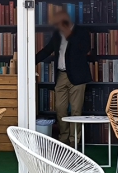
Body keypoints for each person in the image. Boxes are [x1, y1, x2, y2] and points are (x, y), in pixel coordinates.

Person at [34, 9, 94, 146]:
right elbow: (47, 50)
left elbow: (84, 49)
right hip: (62, 75)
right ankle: (63, 138)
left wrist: (68, 34)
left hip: (78, 77)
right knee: (60, 108)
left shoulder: (81, 32)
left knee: (76, 110)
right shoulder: (57, 34)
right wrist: (29, 61)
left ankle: (74, 141)